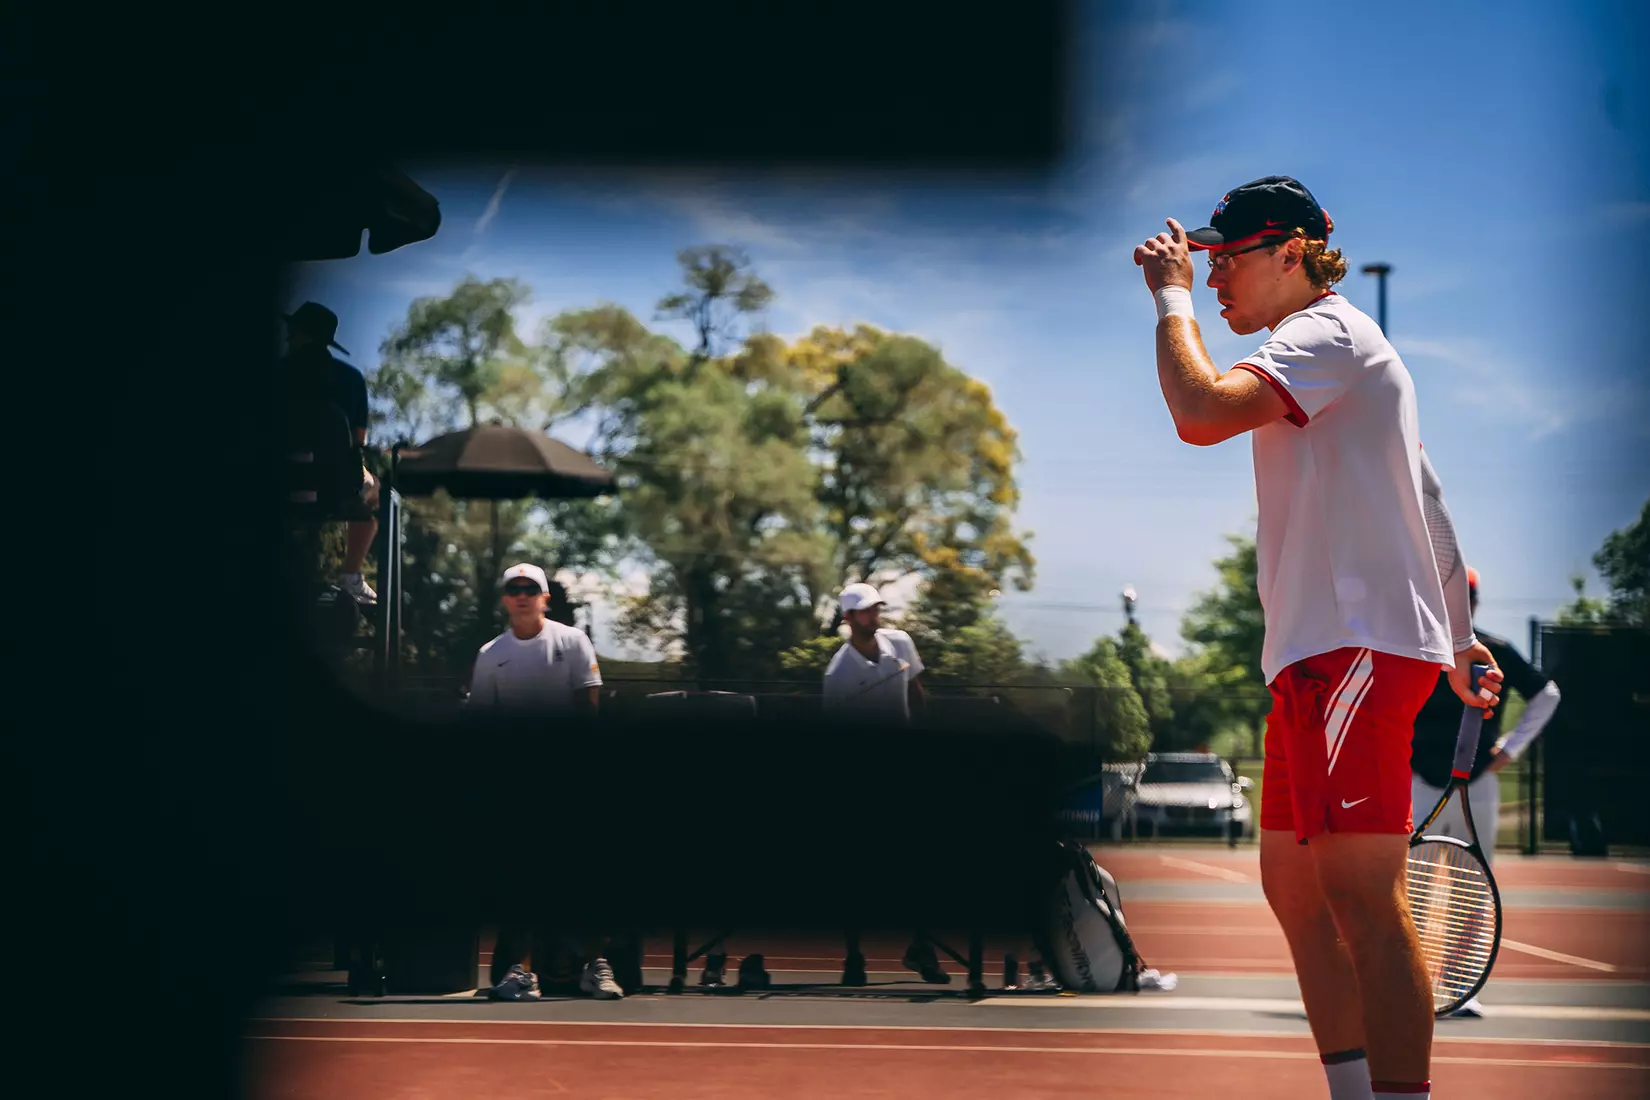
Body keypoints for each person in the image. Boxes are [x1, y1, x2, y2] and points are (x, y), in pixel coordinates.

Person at [1134, 175, 1504, 1100]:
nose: (1214, 275)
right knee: (1296, 894)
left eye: (1229, 258)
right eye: (1206, 263)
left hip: (1356, 650)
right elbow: (1429, 499)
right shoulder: (1328, 347)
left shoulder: (1327, 334)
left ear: (1291, 253)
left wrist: (1172, 298)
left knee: (1361, 901)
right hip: (1316, 656)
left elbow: (1200, 414)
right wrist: (1460, 637)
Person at [1410, 566, 1561, 1017]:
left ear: (1473, 601)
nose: (1458, 603)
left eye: (1465, 596)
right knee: (1410, 889)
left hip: (1476, 785)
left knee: (1473, 888)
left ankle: (1461, 987)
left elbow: (1547, 694)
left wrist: (1511, 749)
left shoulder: (1495, 650)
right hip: (1416, 780)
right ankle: (1407, 984)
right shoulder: (1414, 649)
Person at [465, 563, 620, 999]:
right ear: (504, 599)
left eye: (530, 589)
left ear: (544, 598)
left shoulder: (572, 642)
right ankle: (522, 973)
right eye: (513, 589)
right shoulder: (490, 654)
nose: (521, 595)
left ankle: (596, 967)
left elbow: (588, 709)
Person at [822, 582, 951, 985]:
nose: (873, 616)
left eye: (876, 608)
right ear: (848, 618)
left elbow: (916, 694)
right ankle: (854, 958)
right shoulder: (838, 674)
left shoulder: (900, 643)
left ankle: (921, 948)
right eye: (864, 611)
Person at [282, 301, 380, 605]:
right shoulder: (350, 378)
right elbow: (357, 443)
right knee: (376, 492)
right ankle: (351, 575)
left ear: (300, 333)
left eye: (291, 330)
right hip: (333, 489)